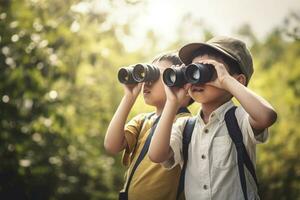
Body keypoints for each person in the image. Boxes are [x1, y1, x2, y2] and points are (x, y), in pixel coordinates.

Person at [149, 36, 277, 200]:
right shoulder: (185, 127)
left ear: (237, 81)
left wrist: (225, 80)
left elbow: (267, 116)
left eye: (208, 71)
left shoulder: (240, 119)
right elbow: (156, 155)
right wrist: (172, 102)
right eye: (192, 70)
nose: (197, 77)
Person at [104, 52, 192, 200]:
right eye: (147, 75)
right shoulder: (143, 120)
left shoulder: (187, 124)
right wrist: (129, 97)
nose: (147, 82)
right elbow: (112, 145)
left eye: (157, 76)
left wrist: (173, 101)